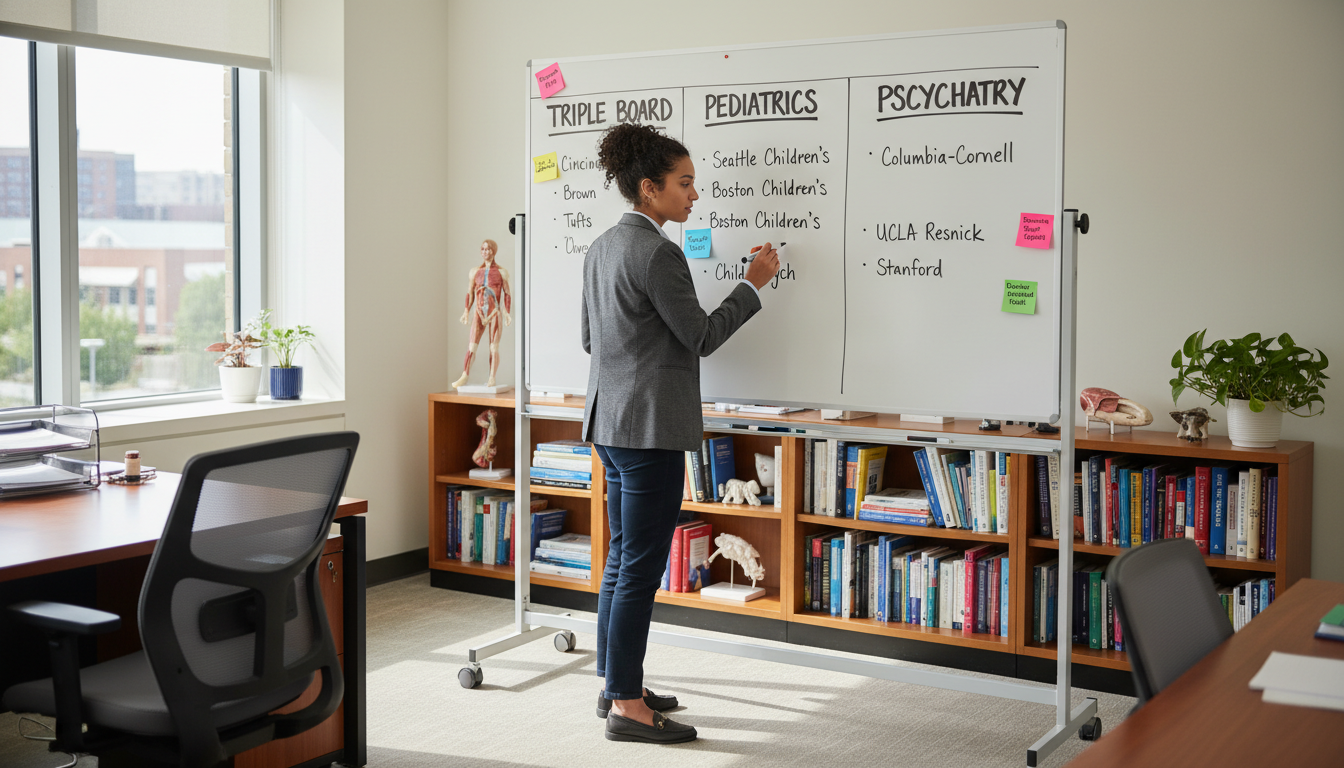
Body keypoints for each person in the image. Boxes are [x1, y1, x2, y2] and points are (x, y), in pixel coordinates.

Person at [581, 123, 780, 744]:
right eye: (684, 183)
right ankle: (627, 709)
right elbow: (700, 336)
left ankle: (618, 685)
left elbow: (591, 340)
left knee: (622, 559)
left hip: (609, 423)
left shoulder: (601, 247)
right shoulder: (657, 253)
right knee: (639, 566)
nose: (695, 196)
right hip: (648, 432)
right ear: (650, 189)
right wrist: (752, 284)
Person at [452, 239, 512, 389]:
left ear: (494, 251)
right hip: (479, 312)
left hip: (494, 312)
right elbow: (470, 293)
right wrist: (466, 310)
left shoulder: (501, 272)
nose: (485, 252)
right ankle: (465, 375)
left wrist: (507, 312)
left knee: (493, 347)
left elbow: (507, 293)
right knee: (472, 346)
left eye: (488, 249)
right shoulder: (474, 272)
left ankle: (492, 377)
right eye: (483, 249)